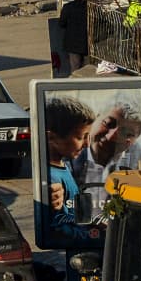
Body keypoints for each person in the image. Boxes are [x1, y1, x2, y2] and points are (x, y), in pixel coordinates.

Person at [39, 96, 103, 250]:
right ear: (51, 137)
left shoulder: (63, 165)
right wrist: (96, 236)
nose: (87, 144)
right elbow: (60, 229)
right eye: (80, 137)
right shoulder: (53, 179)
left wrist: (93, 224)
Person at [74, 101, 141, 189]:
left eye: (125, 133)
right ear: (95, 118)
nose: (111, 137)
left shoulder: (139, 169)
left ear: (135, 140)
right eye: (108, 124)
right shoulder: (64, 156)